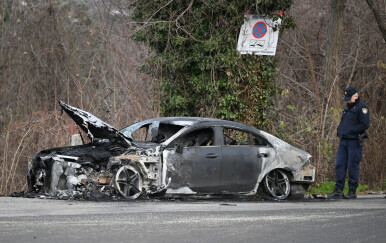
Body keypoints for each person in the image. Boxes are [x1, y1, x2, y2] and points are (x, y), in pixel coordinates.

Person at [327, 87, 370, 199]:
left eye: (349, 98)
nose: (347, 100)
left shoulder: (362, 108)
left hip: (354, 141)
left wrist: (352, 130)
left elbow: (365, 124)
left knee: (352, 166)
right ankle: (338, 190)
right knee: (339, 165)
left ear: (355, 96)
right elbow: (344, 122)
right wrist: (339, 130)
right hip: (344, 140)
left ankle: (352, 190)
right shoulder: (347, 108)